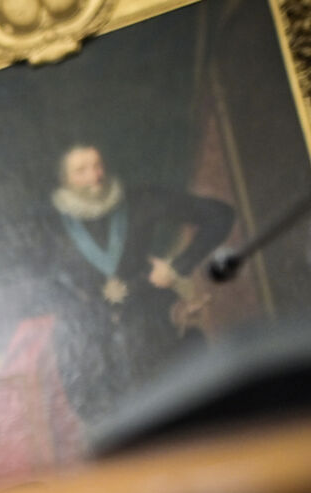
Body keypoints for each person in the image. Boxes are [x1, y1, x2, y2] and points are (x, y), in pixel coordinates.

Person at [41, 143, 234, 427]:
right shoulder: (50, 229)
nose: (95, 176)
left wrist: (179, 265)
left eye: (97, 166)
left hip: (157, 328)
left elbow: (221, 215)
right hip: (99, 348)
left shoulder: (141, 200)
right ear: (64, 180)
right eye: (81, 171)